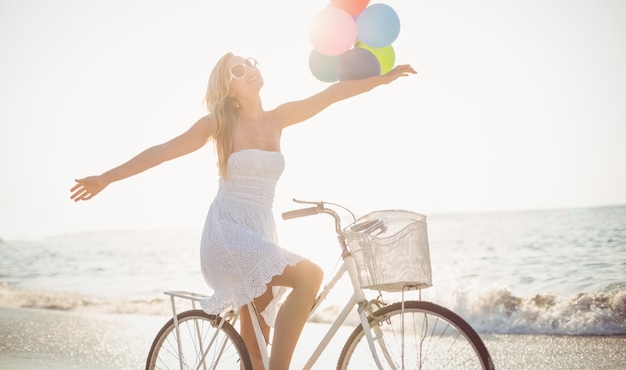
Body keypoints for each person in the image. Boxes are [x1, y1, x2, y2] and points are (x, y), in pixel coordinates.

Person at [70, 52, 416, 370]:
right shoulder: (219, 124)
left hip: (262, 232)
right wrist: (105, 178)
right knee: (310, 274)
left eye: (249, 62)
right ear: (228, 89)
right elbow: (161, 151)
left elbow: (331, 94)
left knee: (255, 353)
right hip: (228, 232)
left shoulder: (278, 118)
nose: (249, 70)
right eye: (238, 70)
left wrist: (381, 79)